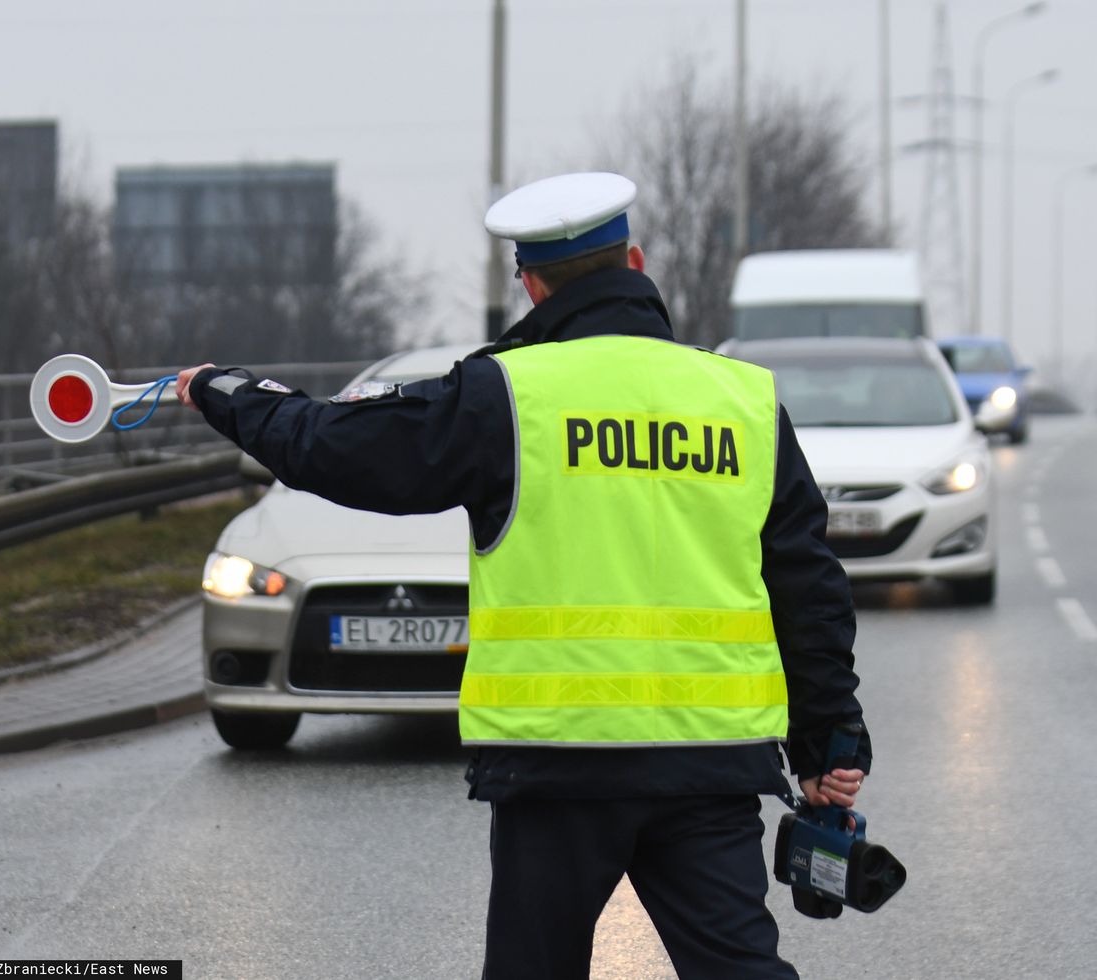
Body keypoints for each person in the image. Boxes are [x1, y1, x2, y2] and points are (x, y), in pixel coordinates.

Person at [176, 172, 870, 979]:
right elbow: (809, 583)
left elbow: (337, 449)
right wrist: (828, 742)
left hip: (558, 768)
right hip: (709, 764)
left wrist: (233, 395)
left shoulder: (506, 395)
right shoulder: (742, 401)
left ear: (531, 284)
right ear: (636, 263)